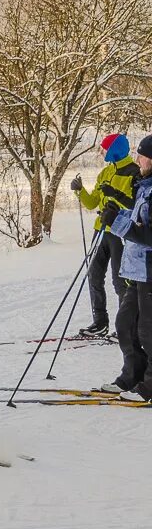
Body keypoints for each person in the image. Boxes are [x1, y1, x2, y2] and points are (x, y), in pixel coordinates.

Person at [99, 135, 152, 400]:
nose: (138, 159)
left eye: (143, 156)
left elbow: (149, 234)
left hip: (150, 270)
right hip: (137, 269)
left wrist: (117, 223)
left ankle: (149, 387)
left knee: (147, 330)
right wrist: (116, 213)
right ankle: (132, 377)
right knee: (125, 323)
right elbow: (137, 220)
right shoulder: (144, 186)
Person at [71, 133, 138, 337]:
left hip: (120, 234)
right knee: (94, 275)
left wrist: (115, 197)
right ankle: (100, 323)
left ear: (115, 150)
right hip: (100, 231)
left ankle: (125, 327)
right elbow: (92, 203)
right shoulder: (105, 172)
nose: (102, 152)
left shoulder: (133, 173)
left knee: (121, 282)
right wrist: (80, 190)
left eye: (105, 148)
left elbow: (135, 205)